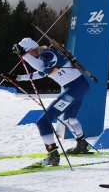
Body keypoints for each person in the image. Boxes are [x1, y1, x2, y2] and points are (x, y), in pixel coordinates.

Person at [12, 37, 92, 165]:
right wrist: (18, 77)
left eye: (29, 53)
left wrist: (24, 55)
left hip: (74, 89)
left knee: (43, 122)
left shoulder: (48, 54)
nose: (30, 56)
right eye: (28, 54)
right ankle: (82, 144)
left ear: (33, 48)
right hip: (79, 87)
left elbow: (41, 69)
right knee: (69, 118)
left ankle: (53, 155)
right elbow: (42, 73)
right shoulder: (45, 57)